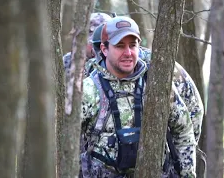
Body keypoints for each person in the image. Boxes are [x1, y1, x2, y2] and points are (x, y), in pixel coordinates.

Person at [80, 16, 203, 178]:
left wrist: (187, 173)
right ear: (104, 49)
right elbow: (60, 141)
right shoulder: (88, 90)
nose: (128, 52)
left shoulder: (157, 84)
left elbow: (184, 129)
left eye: (133, 45)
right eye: (120, 46)